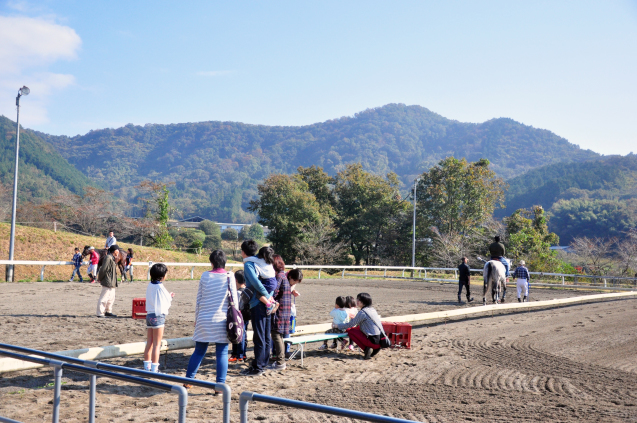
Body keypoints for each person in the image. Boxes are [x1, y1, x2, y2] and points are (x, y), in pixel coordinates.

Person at [184, 250, 239, 390]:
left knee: (199, 351)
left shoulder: (205, 275)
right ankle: (220, 386)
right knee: (222, 353)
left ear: (212, 262)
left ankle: (188, 380)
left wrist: (196, 318)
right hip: (222, 320)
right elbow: (234, 301)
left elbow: (199, 299)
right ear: (225, 262)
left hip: (204, 318)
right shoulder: (229, 276)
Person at [240, 240, 276, 376]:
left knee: (259, 336)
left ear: (243, 252)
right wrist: (270, 297)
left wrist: (266, 296)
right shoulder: (261, 262)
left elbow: (255, 283)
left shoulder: (249, 264)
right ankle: (263, 363)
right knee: (265, 335)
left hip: (258, 303)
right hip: (267, 302)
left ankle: (258, 367)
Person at [143, 263, 174, 373]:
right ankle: (155, 367)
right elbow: (166, 300)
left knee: (149, 342)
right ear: (163, 275)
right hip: (158, 316)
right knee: (157, 344)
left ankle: (147, 366)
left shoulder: (150, 285)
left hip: (149, 315)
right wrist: (170, 296)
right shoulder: (160, 287)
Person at [336, 293, 384, 360]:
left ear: (364, 302)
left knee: (350, 330)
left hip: (372, 341)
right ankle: (375, 349)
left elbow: (350, 325)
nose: (357, 301)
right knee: (357, 329)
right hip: (380, 342)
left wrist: (338, 326)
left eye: (358, 300)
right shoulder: (372, 310)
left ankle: (366, 349)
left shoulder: (362, 312)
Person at [243, 246, 280, 315]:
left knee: (258, 293)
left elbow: (251, 259)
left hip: (268, 282)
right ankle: (272, 301)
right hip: (273, 281)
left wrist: (245, 260)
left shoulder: (260, 261)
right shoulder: (269, 262)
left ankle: (269, 305)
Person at [230, 270, 251, 363]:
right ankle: (242, 354)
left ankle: (238, 355)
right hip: (247, 316)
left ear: (235, 280)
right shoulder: (248, 290)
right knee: (243, 334)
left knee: (237, 335)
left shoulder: (237, 293)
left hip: (239, 317)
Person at [96, 245, 120, 317]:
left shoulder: (112, 258)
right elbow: (103, 269)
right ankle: (100, 313)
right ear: (114, 251)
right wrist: (100, 278)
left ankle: (108, 311)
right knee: (104, 298)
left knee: (111, 298)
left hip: (112, 282)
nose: (118, 252)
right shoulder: (108, 258)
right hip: (107, 281)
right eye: (117, 250)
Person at [488, 235, 509, 302]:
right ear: (499, 239)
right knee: (507, 264)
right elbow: (503, 253)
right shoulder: (501, 245)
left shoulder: (491, 245)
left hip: (492, 257)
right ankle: (507, 274)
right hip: (499, 257)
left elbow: (490, 251)